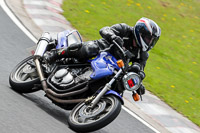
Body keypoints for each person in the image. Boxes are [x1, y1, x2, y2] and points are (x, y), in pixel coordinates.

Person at [45, 17, 161, 95]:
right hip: (102, 50)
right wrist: (113, 37)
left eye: (152, 41)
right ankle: (55, 54)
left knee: (119, 85)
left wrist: (139, 81)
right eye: (148, 38)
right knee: (89, 48)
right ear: (140, 32)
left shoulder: (143, 54)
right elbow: (104, 30)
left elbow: (140, 69)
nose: (149, 42)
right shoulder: (125, 29)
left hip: (114, 66)